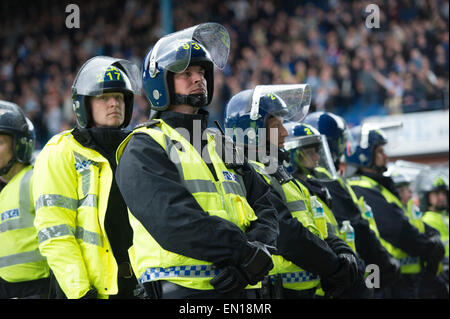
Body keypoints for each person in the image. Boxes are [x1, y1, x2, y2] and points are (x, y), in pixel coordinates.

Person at [115, 23, 277, 299]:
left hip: (243, 287)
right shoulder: (145, 145)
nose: (198, 78)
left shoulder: (220, 143)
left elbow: (265, 204)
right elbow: (173, 221)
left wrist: (255, 256)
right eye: (186, 73)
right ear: (160, 83)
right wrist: (244, 253)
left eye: (201, 72)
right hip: (181, 293)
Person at [223, 85, 361, 299]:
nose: (285, 133)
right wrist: (334, 267)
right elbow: (288, 234)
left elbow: (318, 224)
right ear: (252, 133)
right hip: (278, 292)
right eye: (277, 126)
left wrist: (342, 250)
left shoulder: (283, 176)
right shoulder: (250, 174)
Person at [32, 56, 142, 299]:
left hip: (140, 285)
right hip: (88, 291)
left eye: (120, 97)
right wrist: (81, 292)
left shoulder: (138, 147)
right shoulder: (59, 151)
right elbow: (55, 232)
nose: (114, 103)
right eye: (103, 97)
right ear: (83, 105)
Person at [304, 112, 401, 297]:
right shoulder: (328, 180)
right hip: (352, 275)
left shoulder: (310, 178)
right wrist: (385, 268)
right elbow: (359, 228)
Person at [346, 125, 445, 298]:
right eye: (379, 152)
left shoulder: (377, 186)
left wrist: (431, 235)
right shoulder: (363, 188)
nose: (386, 156)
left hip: (397, 276)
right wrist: (430, 247)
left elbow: (407, 222)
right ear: (363, 156)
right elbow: (398, 230)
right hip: (387, 277)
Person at [284, 120, 373, 298]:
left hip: (337, 274)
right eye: (309, 152)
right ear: (292, 155)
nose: (317, 157)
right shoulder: (290, 188)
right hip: (311, 284)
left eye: (317, 151)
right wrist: (337, 267)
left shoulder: (314, 188)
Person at [0, 101, 50, 299]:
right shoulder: (5, 190)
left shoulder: (35, 179)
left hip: (38, 289)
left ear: (20, 144)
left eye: (0, 142)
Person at [418, 174, 449, 298]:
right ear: (426, 197)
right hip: (441, 273)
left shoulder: (446, 217)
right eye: (436, 193)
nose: (442, 197)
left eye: (443, 193)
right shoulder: (425, 220)